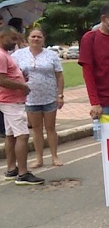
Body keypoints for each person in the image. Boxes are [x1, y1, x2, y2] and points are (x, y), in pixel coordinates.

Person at [11, 28, 65, 168]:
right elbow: (13, 74)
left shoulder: (51, 55)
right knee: (36, 129)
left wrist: (60, 95)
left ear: (43, 39)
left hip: (49, 97)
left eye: (39, 37)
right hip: (30, 97)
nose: (36, 39)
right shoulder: (18, 55)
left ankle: (54, 156)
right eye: (33, 36)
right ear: (28, 38)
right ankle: (39, 158)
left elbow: (59, 75)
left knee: (50, 127)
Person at [0, 28, 44, 185]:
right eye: (11, 39)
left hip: (11, 100)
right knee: (22, 135)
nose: (14, 42)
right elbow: (2, 80)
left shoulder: (6, 55)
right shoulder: (1, 55)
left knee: (11, 135)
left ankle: (12, 169)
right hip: (12, 101)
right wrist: (22, 86)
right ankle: (23, 173)